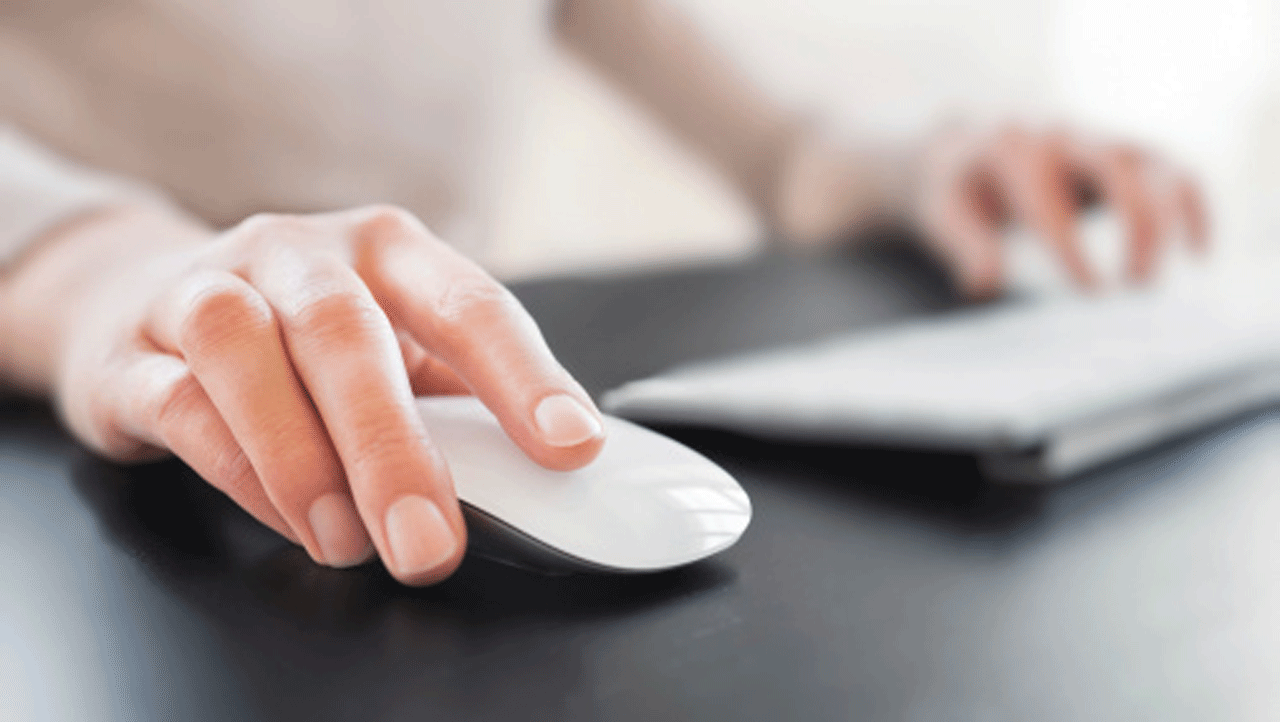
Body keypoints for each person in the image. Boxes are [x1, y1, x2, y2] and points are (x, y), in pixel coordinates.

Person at [0, 0, 1206, 585]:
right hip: (91, 420)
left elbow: (786, 149)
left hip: (411, 412)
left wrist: (930, 154)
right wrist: (97, 262)